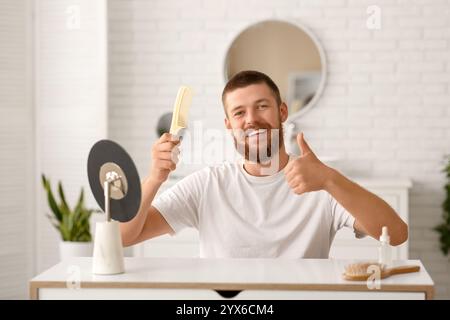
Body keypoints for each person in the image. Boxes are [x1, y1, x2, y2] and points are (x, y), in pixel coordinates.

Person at [119, 70, 408, 258]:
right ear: (229, 125)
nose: (251, 120)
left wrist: (331, 180)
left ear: (282, 112)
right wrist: (154, 178)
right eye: (239, 112)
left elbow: (396, 234)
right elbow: (125, 237)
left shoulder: (319, 183)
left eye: (261, 106)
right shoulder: (207, 184)